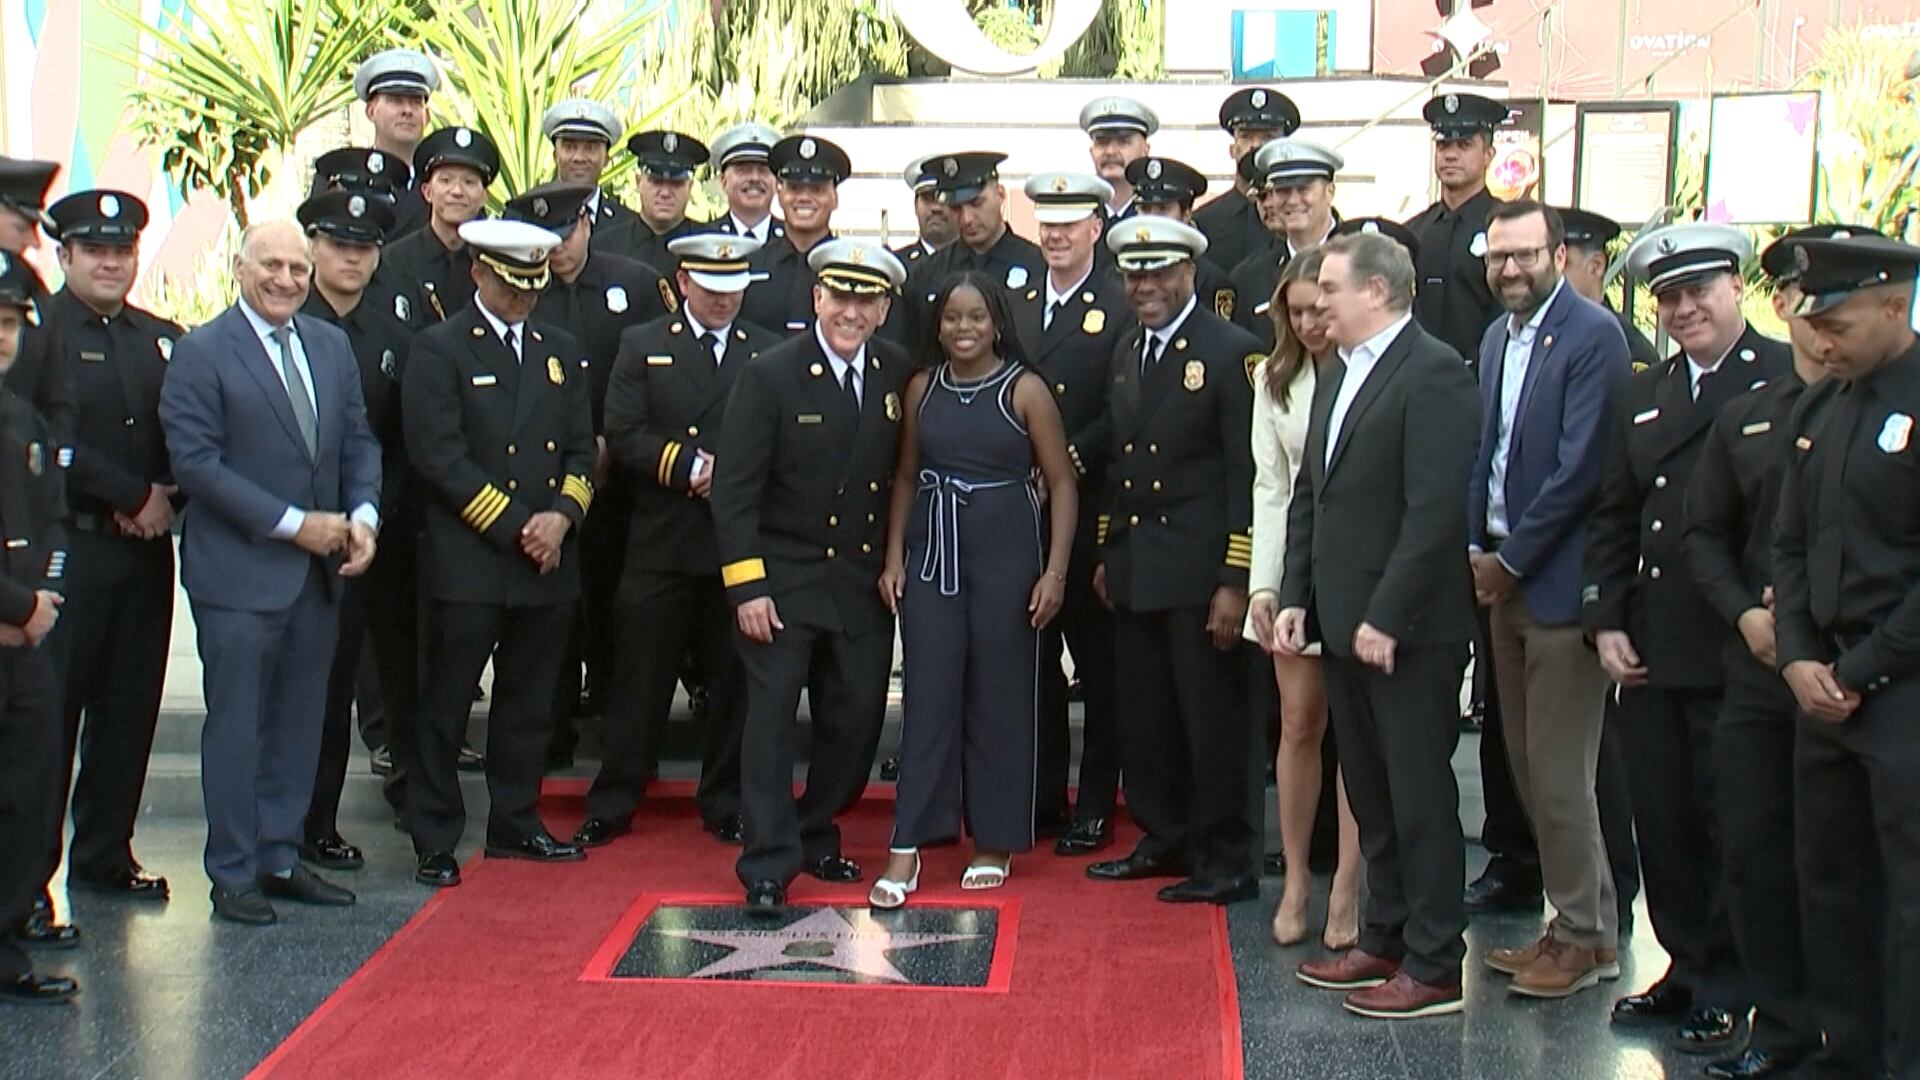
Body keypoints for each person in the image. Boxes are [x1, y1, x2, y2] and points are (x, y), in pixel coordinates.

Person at [1587, 222, 1789, 1053]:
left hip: (1740, 641)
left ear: (1737, 287)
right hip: (1653, 642)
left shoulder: (1782, 376)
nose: (1684, 308)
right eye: (1669, 296)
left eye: (1700, 289)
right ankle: (1684, 964)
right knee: (1663, 820)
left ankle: (1736, 982)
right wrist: (1604, 620)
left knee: (1733, 820)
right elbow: (1614, 513)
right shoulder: (1645, 391)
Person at [1280, 230, 1481, 1020]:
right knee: (1371, 789)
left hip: (1409, 632)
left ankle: (1436, 962)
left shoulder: (1434, 373)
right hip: (1339, 619)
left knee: (1418, 792)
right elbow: (1312, 494)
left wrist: (1387, 615)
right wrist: (1297, 594)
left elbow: (1434, 511)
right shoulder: (1338, 371)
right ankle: (1385, 936)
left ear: (1378, 291)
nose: (1317, 303)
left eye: (1330, 288)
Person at [158, 221, 382, 925]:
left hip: (319, 575)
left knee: (299, 722)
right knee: (238, 726)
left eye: (295, 267)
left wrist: (364, 518)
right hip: (239, 576)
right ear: (238, 268)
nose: (286, 280)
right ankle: (233, 873)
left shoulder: (329, 344)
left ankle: (280, 856)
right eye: (271, 266)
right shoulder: (201, 351)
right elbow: (196, 466)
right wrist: (296, 524)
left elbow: (356, 441)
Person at [1684, 227, 1845, 1080]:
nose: (1813, 322)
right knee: (1752, 847)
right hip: (1759, 667)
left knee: (1844, 864)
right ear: (1778, 304)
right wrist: (1747, 614)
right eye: (1797, 300)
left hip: (1858, 673)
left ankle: (1857, 1038)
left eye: (1830, 305)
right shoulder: (1749, 415)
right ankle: (1780, 1031)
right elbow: (1704, 533)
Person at [710, 238, 910, 912]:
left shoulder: (895, 373)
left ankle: (816, 830)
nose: (852, 311)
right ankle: (768, 864)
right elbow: (733, 490)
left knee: (854, 719)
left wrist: (893, 561)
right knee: (768, 725)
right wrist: (747, 585)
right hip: (783, 578)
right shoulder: (770, 374)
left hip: (858, 584)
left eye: (867, 299)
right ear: (817, 297)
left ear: (884, 309)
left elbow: (899, 481)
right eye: (841, 296)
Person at [869, 272, 1076, 906]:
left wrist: (1055, 572)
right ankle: (908, 843)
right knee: (927, 693)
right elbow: (905, 476)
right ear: (937, 325)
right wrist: (893, 555)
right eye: (952, 318)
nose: (964, 329)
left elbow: (1063, 483)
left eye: (977, 318)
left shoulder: (1026, 391)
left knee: (1000, 695)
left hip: (1008, 555)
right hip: (934, 556)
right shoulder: (921, 389)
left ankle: (995, 837)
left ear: (997, 323)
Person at [401, 219, 596, 887]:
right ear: (480, 273)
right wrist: (520, 525)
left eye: (533, 287)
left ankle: (516, 820)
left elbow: (580, 449)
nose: (524, 300)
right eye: (513, 286)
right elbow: (439, 457)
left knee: (529, 701)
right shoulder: (440, 349)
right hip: (472, 556)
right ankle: (433, 834)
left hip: (546, 559)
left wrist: (562, 519)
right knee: (447, 702)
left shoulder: (559, 349)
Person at [1465, 201, 1626, 998]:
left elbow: (1580, 471)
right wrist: (1475, 548)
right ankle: (1584, 929)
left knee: (1561, 774)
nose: (1511, 270)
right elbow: (1488, 453)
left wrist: (1513, 563)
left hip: (1558, 588)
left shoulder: (1595, 337)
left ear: (1558, 255)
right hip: (1498, 575)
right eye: (1498, 258)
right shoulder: (1497, 338)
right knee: (1529, 768)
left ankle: (1583, 931)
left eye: (1525, 254)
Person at [1771, 230, 1920, 1080]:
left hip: (1897, 687)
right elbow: (1788, 548)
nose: (1821, 340)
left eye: (1839, 323)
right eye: (1812, 323)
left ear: (1894, 304)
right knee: (1829, 885)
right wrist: (1797, 656)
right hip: (1820, 681)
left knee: (1908, 902)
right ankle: (1848, 1051)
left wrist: (1857, 672)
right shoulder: (1823, 407)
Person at [575, 234, 778, 848]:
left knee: (732, 680)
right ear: (684, 283)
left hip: (732, 543)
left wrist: (734, 473)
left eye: (733, 288)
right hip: (661, 538)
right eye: (710, 288)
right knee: (638, 680)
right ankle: (614, 798)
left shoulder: (765, 352)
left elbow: (780, 435)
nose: (722, 300)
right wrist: (691, 467)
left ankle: (724, 799)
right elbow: (624, 431)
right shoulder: (643, 344)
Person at [1084, 217, 1260, 906]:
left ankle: (1228, 857)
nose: (1145, 286)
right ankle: (1164, 835)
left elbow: (1247, 477)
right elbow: (1123, 462)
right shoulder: (1129, 348)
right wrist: (1108, 549)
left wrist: (1235, 579)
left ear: (1190, 271)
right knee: (1147, 716)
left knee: (1214, 719)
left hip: (1200, 571)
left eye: (1159, 272)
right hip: (1139, 564)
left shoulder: (1230, 352)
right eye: (1134, 273)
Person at [32, 191, 179, 913]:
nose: (111, 263)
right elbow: (44, 442)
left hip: (146, 559)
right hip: (71, 556)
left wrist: (165, 498)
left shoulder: (162, 339)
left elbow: (192, 437)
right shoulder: (34, 335)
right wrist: (128, 495)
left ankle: (105, 854)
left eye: (122, 251)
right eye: (95, 251)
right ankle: (28, 881)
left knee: (128, 712)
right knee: (49, 722)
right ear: (64, 257)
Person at [507, 182, 674, 752]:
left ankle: (612, 719)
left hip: (627, 479)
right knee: (551, 612)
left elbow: (665, 370)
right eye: (544, 240)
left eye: (565, 234)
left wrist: (618, 441)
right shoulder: (521, 290)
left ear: (585, 223)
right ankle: (549, 731)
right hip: (543, 483)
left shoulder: (635, 282)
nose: (556, 250)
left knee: (617, 606)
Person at [293, 188, 419, 868]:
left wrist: (376, 512)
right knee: (318, 689)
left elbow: (399, 442)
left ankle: (358, 813)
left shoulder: (394, 337)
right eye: (338, 244)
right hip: (300, 538)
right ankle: (304, 818)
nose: (351, 257)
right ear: (313, 246)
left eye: (364, 247)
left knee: (392, 678)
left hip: (382, 535)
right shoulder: (288, 322)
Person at [1244, 248, 1362, 950]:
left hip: (1359, 570)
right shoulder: (1274, 379)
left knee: (1356, 735)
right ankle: (1296, 880)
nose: (1313, 320)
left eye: (1323, 305)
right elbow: (1270, 485)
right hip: (1295, 570)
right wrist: (1265, 582)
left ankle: (1349, 881)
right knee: (1299, 726)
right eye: (1298, 310)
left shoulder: (1370, 370)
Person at [1010, 172, 1128, 853]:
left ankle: (1094, 804)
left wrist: (1065, 463)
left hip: (1088, 508)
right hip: (1021, 510)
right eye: (1046, 222)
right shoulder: (1019, 300)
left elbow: (1121, 407)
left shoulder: (1115, 304)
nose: (1055, 234)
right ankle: (1042, 795)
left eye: (1070, 222)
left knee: (1100, 666)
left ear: (1096, 228)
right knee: (1034, 664)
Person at [0, 251, 78, 1005]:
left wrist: (40, 600)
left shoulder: (19, 415)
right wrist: (16, 608)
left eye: (8, 321)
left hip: (25, 633)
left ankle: (7, 946)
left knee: (27, 792)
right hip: (11, 621)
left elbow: (51, 514)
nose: (0, 335)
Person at [1403, 92, 1507, 368]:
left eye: (1464, 144)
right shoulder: (1414, 232)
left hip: (1483, 379)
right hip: (1417, 381)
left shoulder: (1505, 229)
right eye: (1443, 144)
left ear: (1488, 155)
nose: (1450, 154)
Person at [898, 153, 1045, 345]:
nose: (967, 218)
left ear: (1000, 195)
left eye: (976, 203)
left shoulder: (1038, 266)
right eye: (956, 208)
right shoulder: (928, 272)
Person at [1229, 138, 1342, 352]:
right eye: (1282, 190)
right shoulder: (1249, 277)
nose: (1292, 200)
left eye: (1303, 189)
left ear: (1329, 191)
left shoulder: (1362, 262)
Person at [378, 126, 501, 324]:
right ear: (427, 192)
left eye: (469, 182)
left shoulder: (495, 263)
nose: (457, 191)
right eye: (446, 180)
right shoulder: (394, 261)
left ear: (483, 197)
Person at [738, 135, 850, 336]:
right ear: (780, 195)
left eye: (817, 189)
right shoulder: (750, 265)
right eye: (795, 188)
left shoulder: (850, 269)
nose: (804, 198)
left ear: (835, 198)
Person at [1193, 87, 1298, 275]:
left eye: (1268, 137)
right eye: (1246, 136)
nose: (1256, 145)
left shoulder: (1299, 214)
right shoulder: (1205, 222)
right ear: (1232, 149)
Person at [1127, 156, 1237, 323]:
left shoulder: (1211, 281)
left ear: (1186, 215)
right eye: (1145, 208)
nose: (1153, 218)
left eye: (1163, 209)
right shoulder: (1118, 274)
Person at [1559, 207, 1660, 370]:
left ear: (1596, 266)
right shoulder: (1524, 333)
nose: (1547, 273)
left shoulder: (1628, 347)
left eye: (1561, 262)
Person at [352, 49, 439, 239]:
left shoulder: (445, 183)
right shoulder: (346, 179)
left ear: (427, 116)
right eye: (395, 100)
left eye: (416, 102)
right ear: (370, 111)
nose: (407, 110)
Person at [597, 130, 709, 271]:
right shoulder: (605, 246)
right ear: (638, 182)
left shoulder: (709, 246)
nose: (665, 193)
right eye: (656, 181)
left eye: (676, 183)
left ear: (690, 187)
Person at [541, 98, 634, 241]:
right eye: (569, 147)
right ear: (555, 155)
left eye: (591, 148)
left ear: (606, 160)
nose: (579, 157)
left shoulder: (629, 227)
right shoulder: (531, 217)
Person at [1079, 96, 1156, 222]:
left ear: (1145, 150)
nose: (1110, 151)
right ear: (1092, 151)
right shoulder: (1079, 214)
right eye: (1102, 142)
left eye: (1123, 141)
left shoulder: (1157, 212)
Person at [708, 122, 786, 244]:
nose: (754, 178)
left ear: (777, 183)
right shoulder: (706, 240)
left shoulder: (794, 242)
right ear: (724, 182)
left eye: (763, 170)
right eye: (743, 170)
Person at [890, 157, 955, 268]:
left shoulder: (979, 265)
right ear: (915, 205)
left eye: (945, 198)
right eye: (927, 198)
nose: (936, 208)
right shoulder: (895, 266)